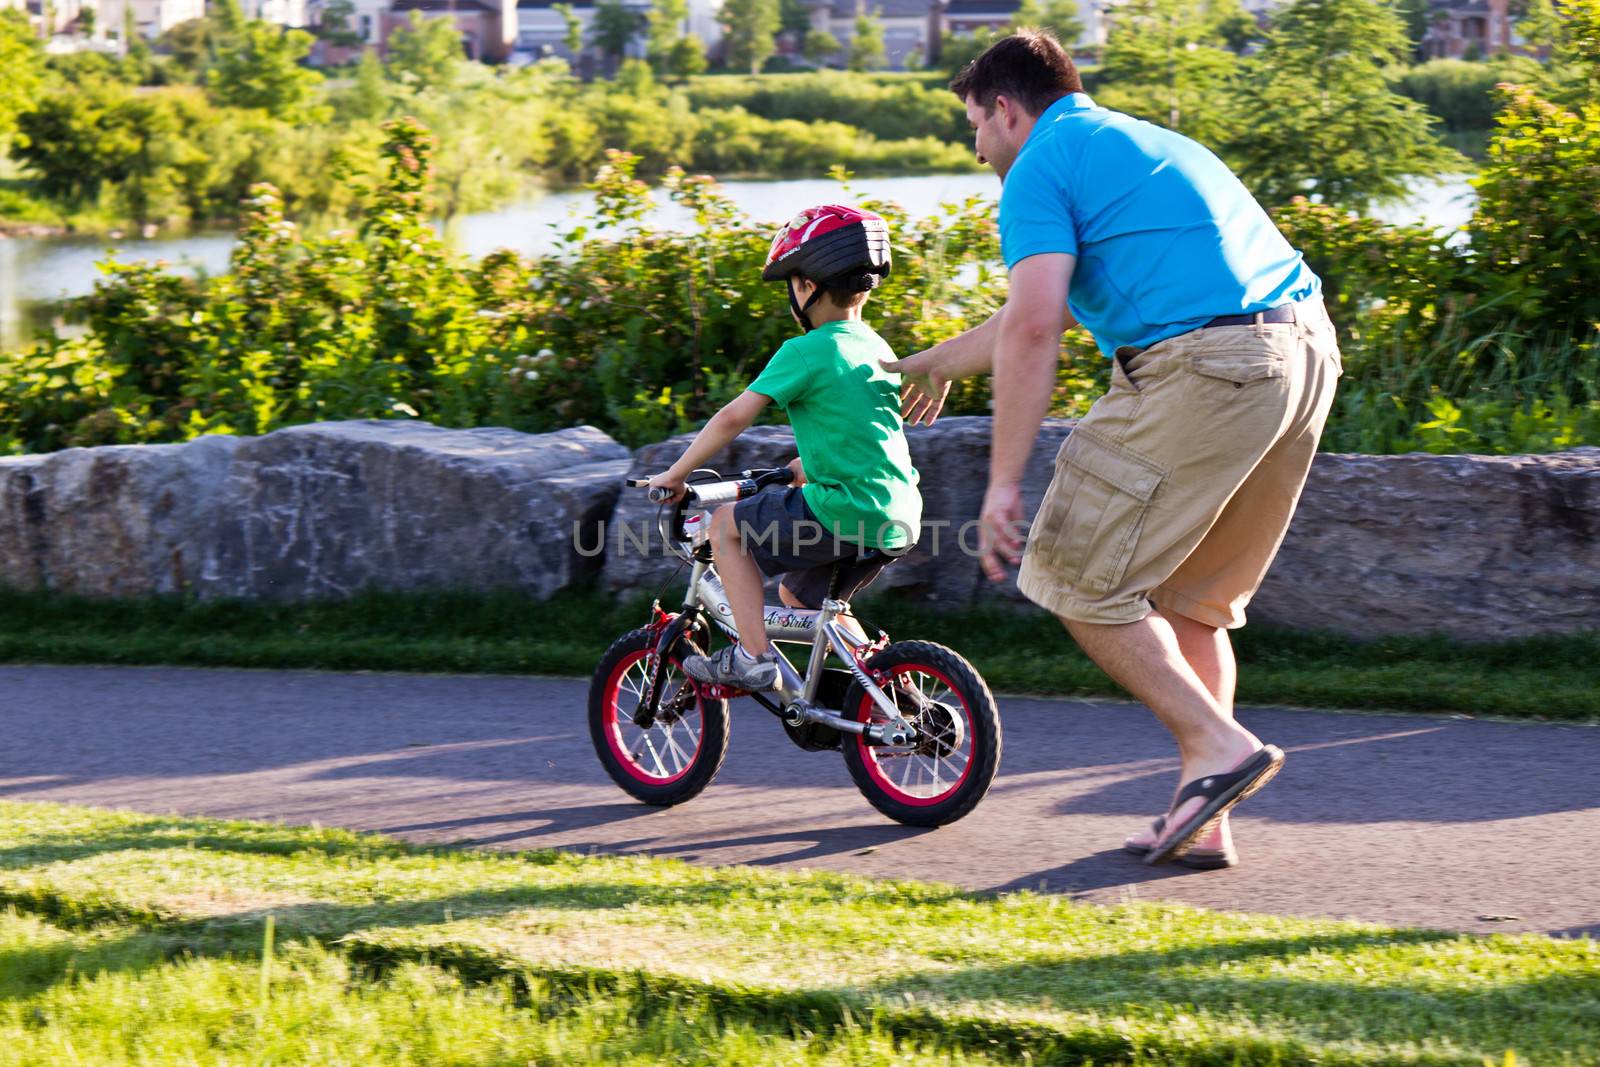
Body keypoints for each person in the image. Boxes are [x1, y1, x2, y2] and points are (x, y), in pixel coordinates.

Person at [885, 31, 1341, 866]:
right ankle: (1204, 812)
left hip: (1205, 366)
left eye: (975, 127)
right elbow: (1042, 309)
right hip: (1302, 355)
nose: (976, 146)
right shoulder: (1140, 143)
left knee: (1070, 570)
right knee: (1193, 602)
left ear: (1006, 109)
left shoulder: (1037, 168)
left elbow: (1032, 327)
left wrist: (1000, 484)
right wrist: (932, 363)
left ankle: (1222, 746)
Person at [648, 205, 922, 691]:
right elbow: (859, 431)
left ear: (805, 285)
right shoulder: (876, 346)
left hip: (844, 509)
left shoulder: (803, 350)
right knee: (798, 596)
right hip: (897, 513)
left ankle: (751, 656)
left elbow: (734, 416)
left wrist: (674, 473)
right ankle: (889, 689)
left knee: (724, 526)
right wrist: (806, 464)